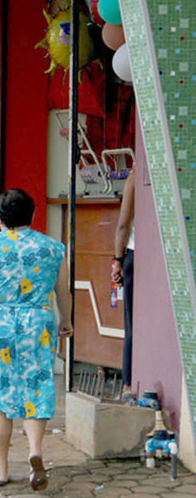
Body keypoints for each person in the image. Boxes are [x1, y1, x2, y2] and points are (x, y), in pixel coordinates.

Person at [0, 189, 73, 492]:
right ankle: (34, 450)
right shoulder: (53, 248)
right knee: (37, 386)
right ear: (32, 216)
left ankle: (1, 468)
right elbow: (63, 291)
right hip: (37, 322)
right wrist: (66, 322)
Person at [112, 170, 136, 397]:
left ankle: (129, 384)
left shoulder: (136, 175)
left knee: (132, 324)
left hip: (135, 254)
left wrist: (117, 260)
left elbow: (123, 225)